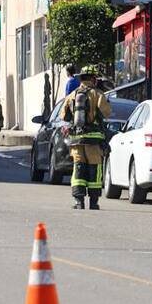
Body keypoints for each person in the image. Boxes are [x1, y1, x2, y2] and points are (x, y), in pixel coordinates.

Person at [60, 65, 111, 210]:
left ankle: (78, 202)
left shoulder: (72, 95)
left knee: (78, 169)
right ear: (94, 79)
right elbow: (106, 112)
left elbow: (63, 115)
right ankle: (93, 202)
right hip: (93, 140)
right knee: (94, 169)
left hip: (76, 140)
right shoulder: (97, 94)